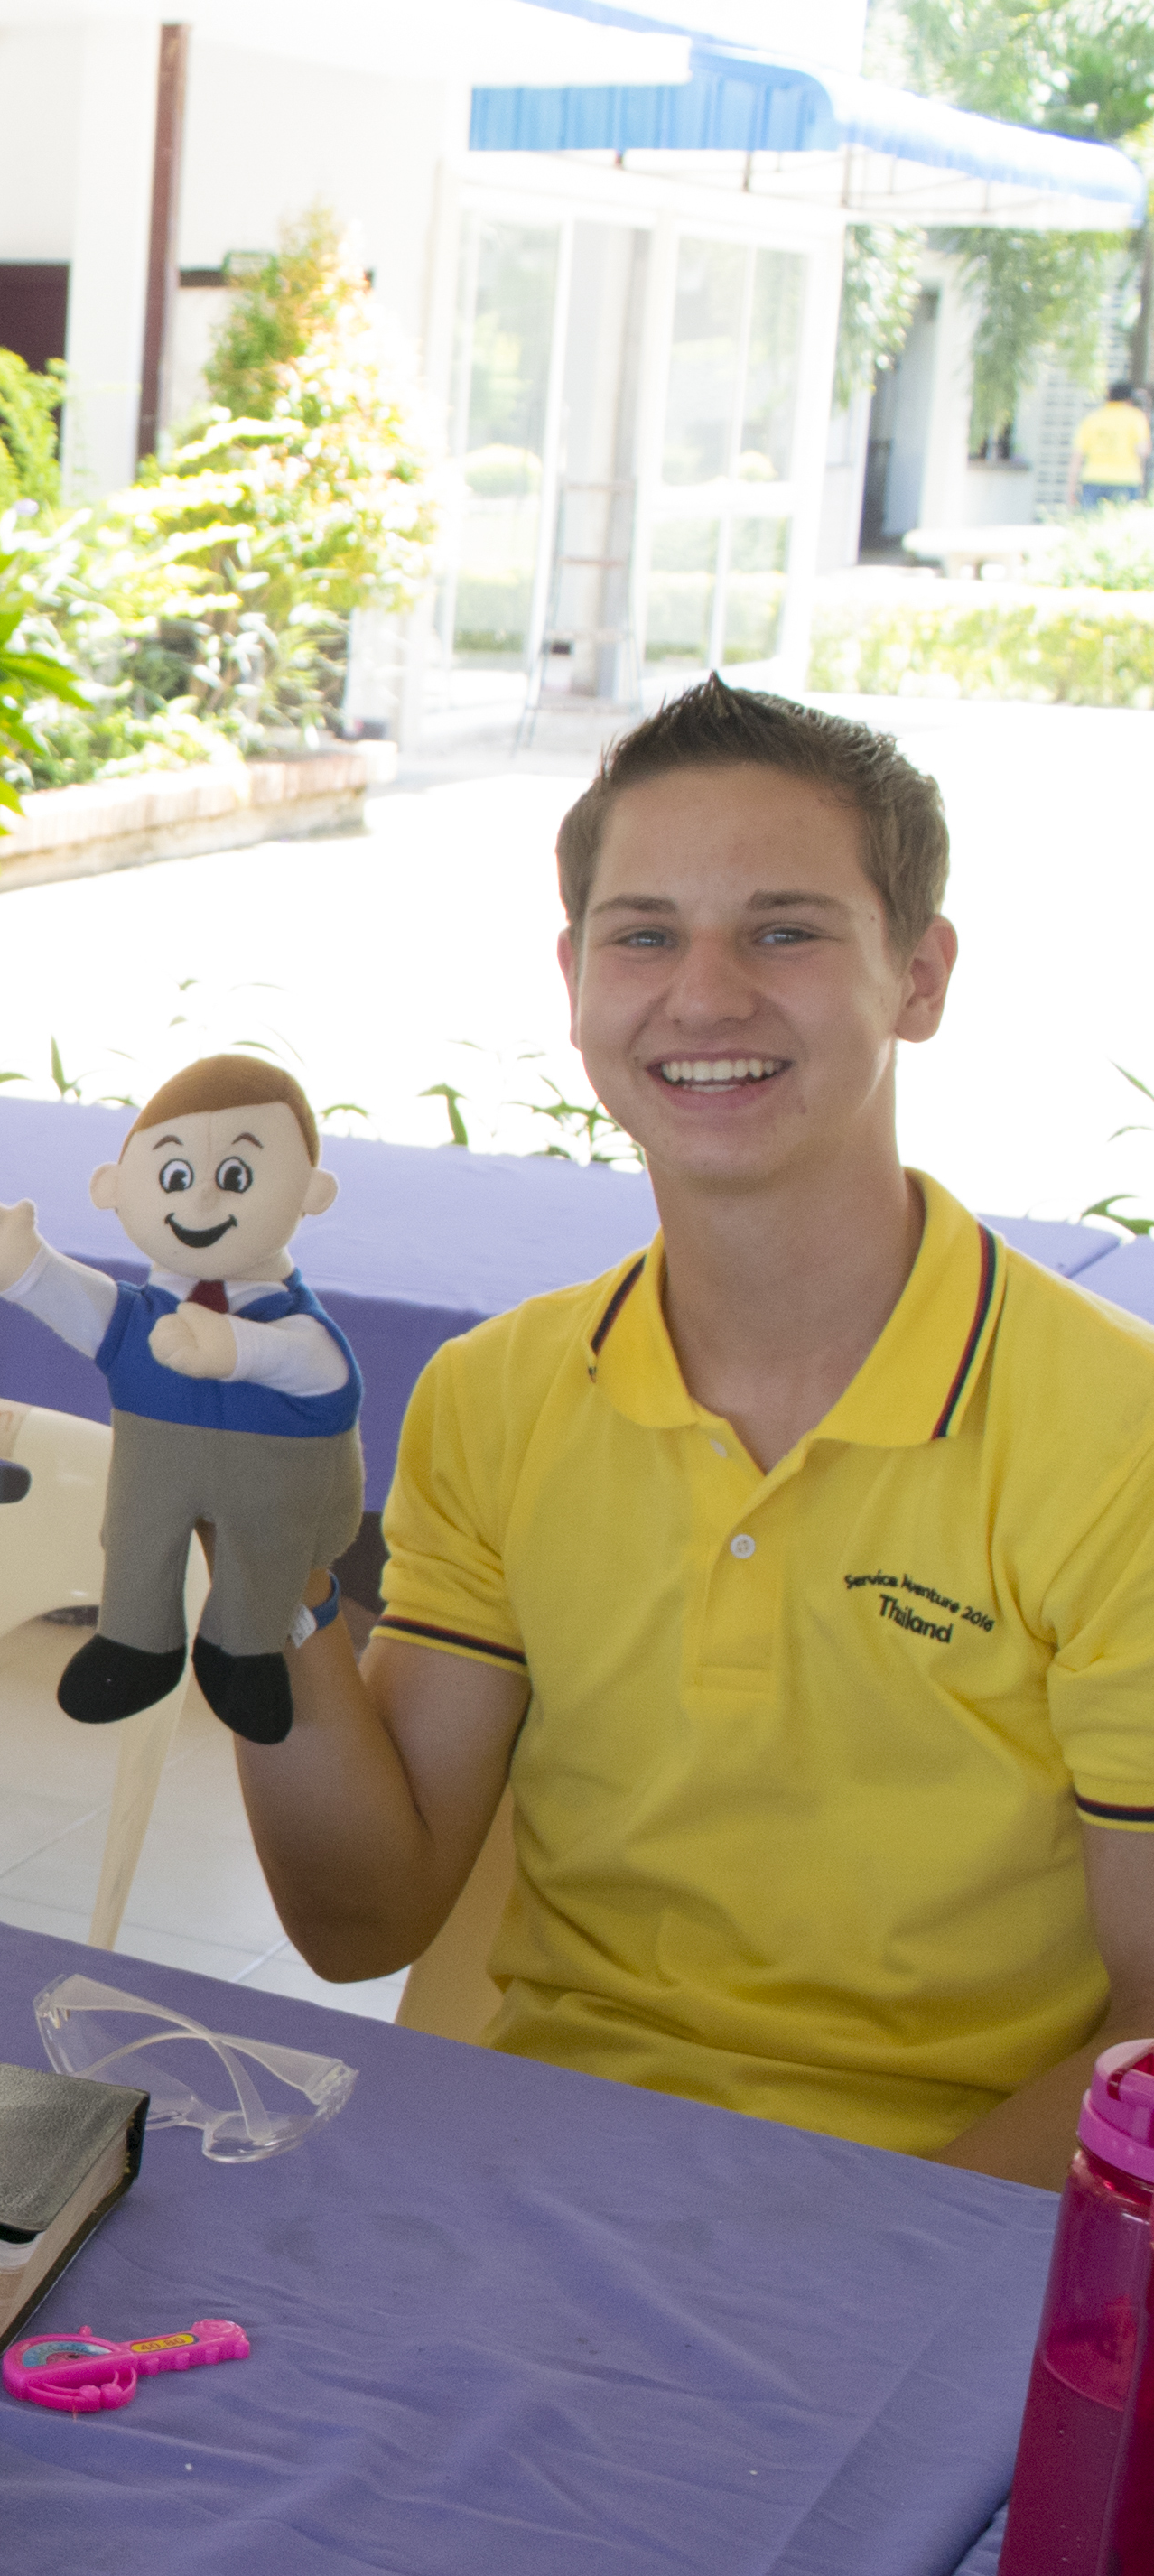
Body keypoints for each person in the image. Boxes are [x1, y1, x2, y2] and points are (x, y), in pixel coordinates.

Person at [232, 682, 1154, 2181]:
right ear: (573, 975)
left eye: (781, 931)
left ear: (916, 977)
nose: (703, 997)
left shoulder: (1119, 1434)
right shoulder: (498, 1393)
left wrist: (833, 2283)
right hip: (539, 2174)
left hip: (943, 2214)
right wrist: (252, 1581)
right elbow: (361, 1922)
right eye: (643, 934)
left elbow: (1149, 2034)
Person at [1077, 380, 1149, 514]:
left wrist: (1071, 489)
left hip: (1094, 478)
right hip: (1126, 479)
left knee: (1089, 525)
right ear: (1129, 399)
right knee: (1122, 527)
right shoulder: (1136, 417)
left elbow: (1077, 456)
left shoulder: (1092, 418)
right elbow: (1142, 450)